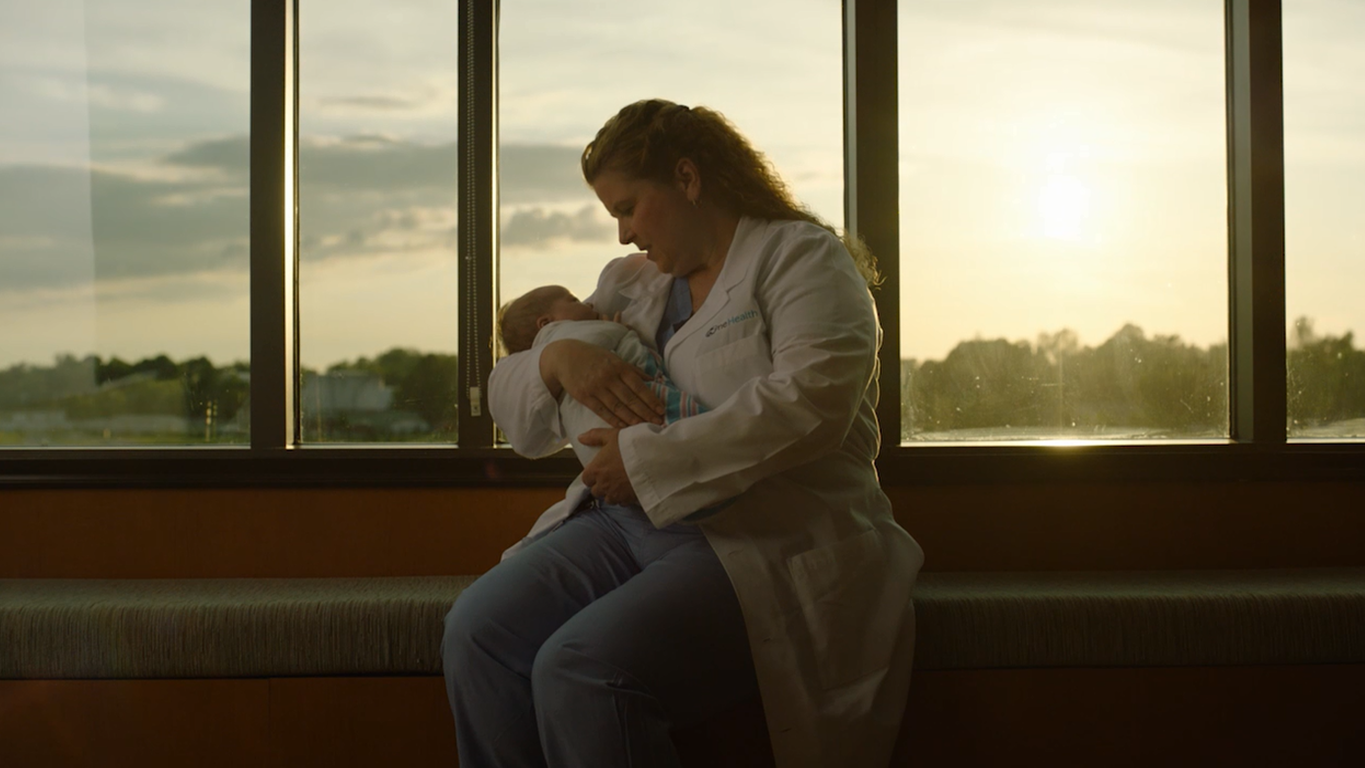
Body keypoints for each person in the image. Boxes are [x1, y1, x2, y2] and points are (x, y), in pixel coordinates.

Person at [442, 98, 925, 768]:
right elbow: (514, 410)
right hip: (620, 525)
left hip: (757, 532)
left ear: (688, 179)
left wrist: (640, 463)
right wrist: (558, 355)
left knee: (580, 669)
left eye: (627, 208)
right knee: (477, 630)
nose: (620, 235)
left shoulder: (802, 262)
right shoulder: (632, 283)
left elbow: (810, 407)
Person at [497, 283, 704, 471]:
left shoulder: (564, 334)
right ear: (545, 323)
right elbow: (600, 336)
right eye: (574, 300)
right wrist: (616, 329)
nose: (589, 305)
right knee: (681, 418)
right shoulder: (562, 334)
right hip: (620, 418)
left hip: (608, 445)